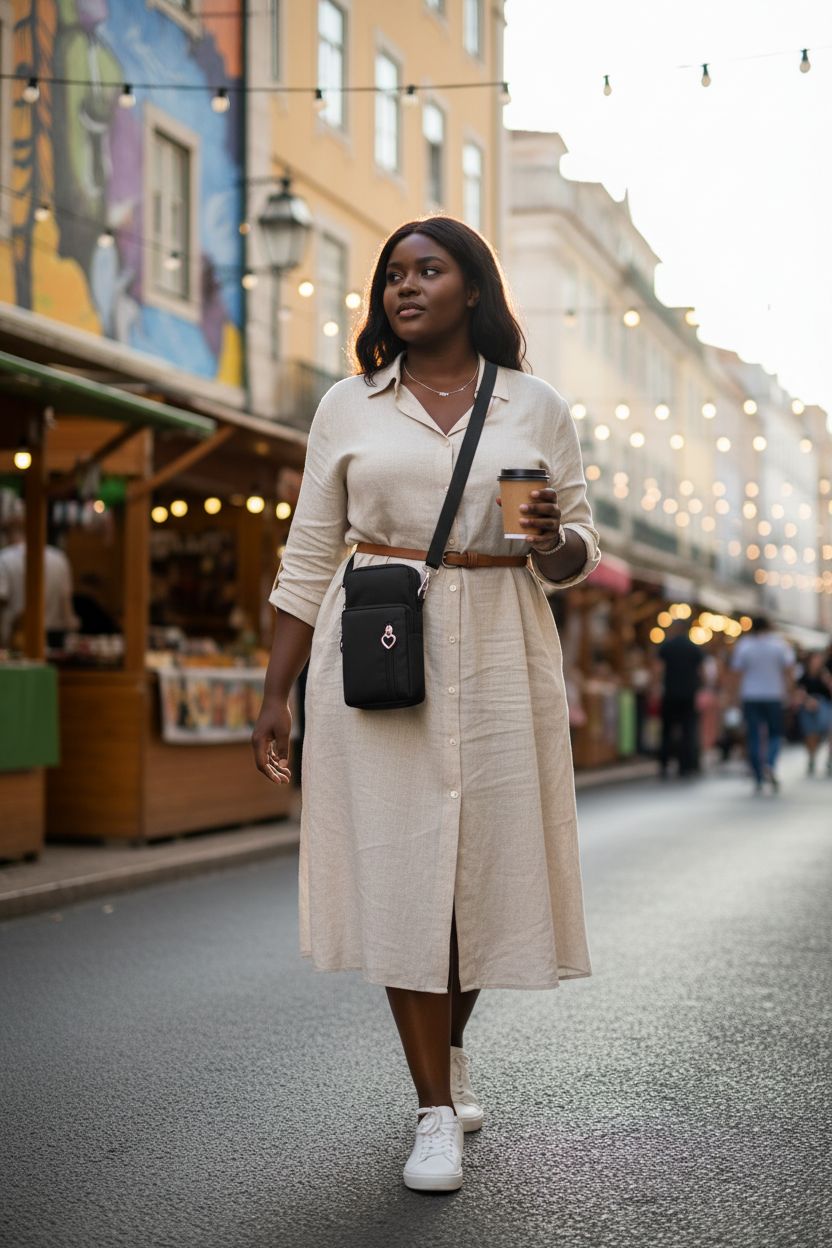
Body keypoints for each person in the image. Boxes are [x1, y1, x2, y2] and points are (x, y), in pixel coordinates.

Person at [251, 216, 600, 1193]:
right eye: (393, 274)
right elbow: (307, 556)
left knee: (481, 876)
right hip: (381, 644)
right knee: (408, 874)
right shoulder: (348, 405)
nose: (405, 287)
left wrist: (549, 544)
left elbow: (579, 547)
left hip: (501, 643)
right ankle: (432, 1111)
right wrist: (273, 693)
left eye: (428, 270)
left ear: (472, 289)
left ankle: (446, 1053)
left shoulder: (534, 406)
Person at [730, 616, 795, 792]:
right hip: (774, 695)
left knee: (753, 735)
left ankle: (758, 773)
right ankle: (770, 762)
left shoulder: (745, 645)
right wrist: (791, 692)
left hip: (750, 696)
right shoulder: (779, 645)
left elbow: (737, 673)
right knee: (775, 733)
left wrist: (733, 697)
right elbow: (789, 671)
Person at [0, 510, 78, 649]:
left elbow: (2, 599)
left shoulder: (4, 558)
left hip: (14, 640)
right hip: (54, 638)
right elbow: (65, 601)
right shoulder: (59, 558)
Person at [656, 618, 703, 777]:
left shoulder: (667, 646)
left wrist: (655, 687)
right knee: (688, 730)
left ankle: (664, 763)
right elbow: (701, 672)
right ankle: (686, 765)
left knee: (667, 730)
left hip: (670, 693)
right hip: (689, 694)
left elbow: (658, 669)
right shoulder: (694, 648)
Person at [794, 651, 832, 776]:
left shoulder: (825, 675)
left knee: (826, 731)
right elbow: (798, 693)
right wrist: (807, 700)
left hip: (825, 707)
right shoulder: (803, 676)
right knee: (811, 735)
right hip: (807, 707)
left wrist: (828, 680)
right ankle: (812, 756)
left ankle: (828, 758)